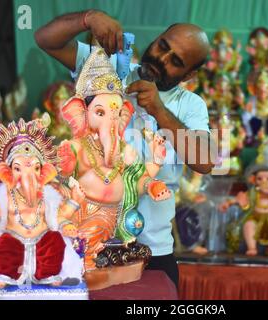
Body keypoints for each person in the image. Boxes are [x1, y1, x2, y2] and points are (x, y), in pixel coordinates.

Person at [35, 10, 216, 289]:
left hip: (153, 251)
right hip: (88, 241)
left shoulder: (190, 105)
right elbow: (46, 39)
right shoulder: (106, 70)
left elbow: (205, 161)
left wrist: (159, 110)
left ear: (190, 74)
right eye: (163, 46)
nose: (161, 58)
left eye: (175, 61)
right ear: (157, 37)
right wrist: (88, 18)